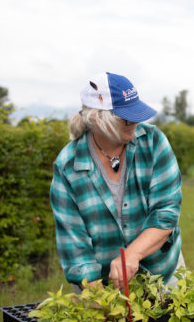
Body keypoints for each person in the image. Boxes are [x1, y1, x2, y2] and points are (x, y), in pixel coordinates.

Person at [50, 72, 184, 290]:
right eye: (125, 116)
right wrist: (102, 301)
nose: (135, 121)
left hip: (161, 274)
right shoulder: (68, 166)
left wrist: (132, 254)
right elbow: (74, 247)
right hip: (99, 283)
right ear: (96, 119)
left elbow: (165, 213)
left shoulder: (153, 143)